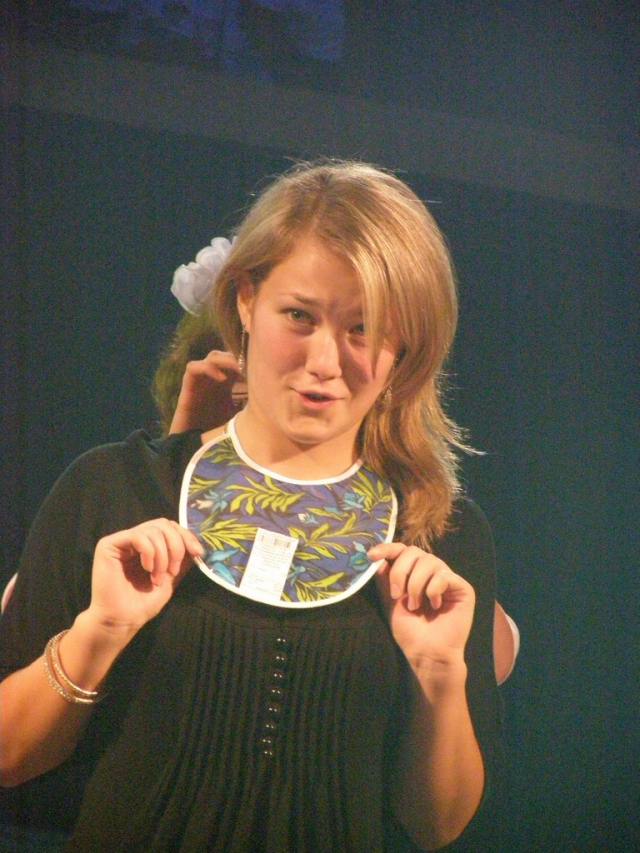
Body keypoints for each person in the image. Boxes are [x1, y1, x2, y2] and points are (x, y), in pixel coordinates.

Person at [0, 160, 505, 852]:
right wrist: (99, 632)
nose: (325, 361)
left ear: (406, 348)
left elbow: (438, 824)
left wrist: (441, 676)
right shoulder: (114, 489)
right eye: (300, 316)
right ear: (244, 300)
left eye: (365, 329)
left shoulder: (439, 538)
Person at [154, 323, 519, 686]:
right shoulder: (153, 486)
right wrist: (182, 453)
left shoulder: (424, 521)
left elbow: (490, 663)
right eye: (242, 406)